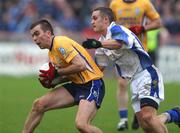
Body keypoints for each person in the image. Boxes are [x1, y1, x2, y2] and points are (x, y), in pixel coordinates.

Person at [82, 7, 180, 133]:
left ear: (106, 20)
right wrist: (79, 71)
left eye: (95, 18)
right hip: (134, 81)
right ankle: (173, 114)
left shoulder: (117, 29)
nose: (92, 22)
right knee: (146, 125)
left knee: (148, 117)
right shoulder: (101, 44)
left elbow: (120, 43)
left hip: (147, 74)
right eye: (91, 19)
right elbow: (99, 69)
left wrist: (99, 44)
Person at [22, 19, 105, 133]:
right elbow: (69, 74)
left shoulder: (60, 43)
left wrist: (56, 73)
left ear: (48, 33)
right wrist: (53, 81)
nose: (35, 38)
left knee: (81, 124)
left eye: (37, 34)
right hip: (77, 85)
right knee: (39, 105)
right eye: (33, 36)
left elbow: (81, 65)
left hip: (92, 83)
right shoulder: (51, 53)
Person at [109, 0, 162, 130]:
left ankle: (138, 113)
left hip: (139, 51)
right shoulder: (114, 4)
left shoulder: (145, 4)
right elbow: (109, 24)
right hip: (122, 52)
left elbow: (158, 22)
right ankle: (123, 120)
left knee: (138, 84)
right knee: (122, 83)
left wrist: (143, 28)